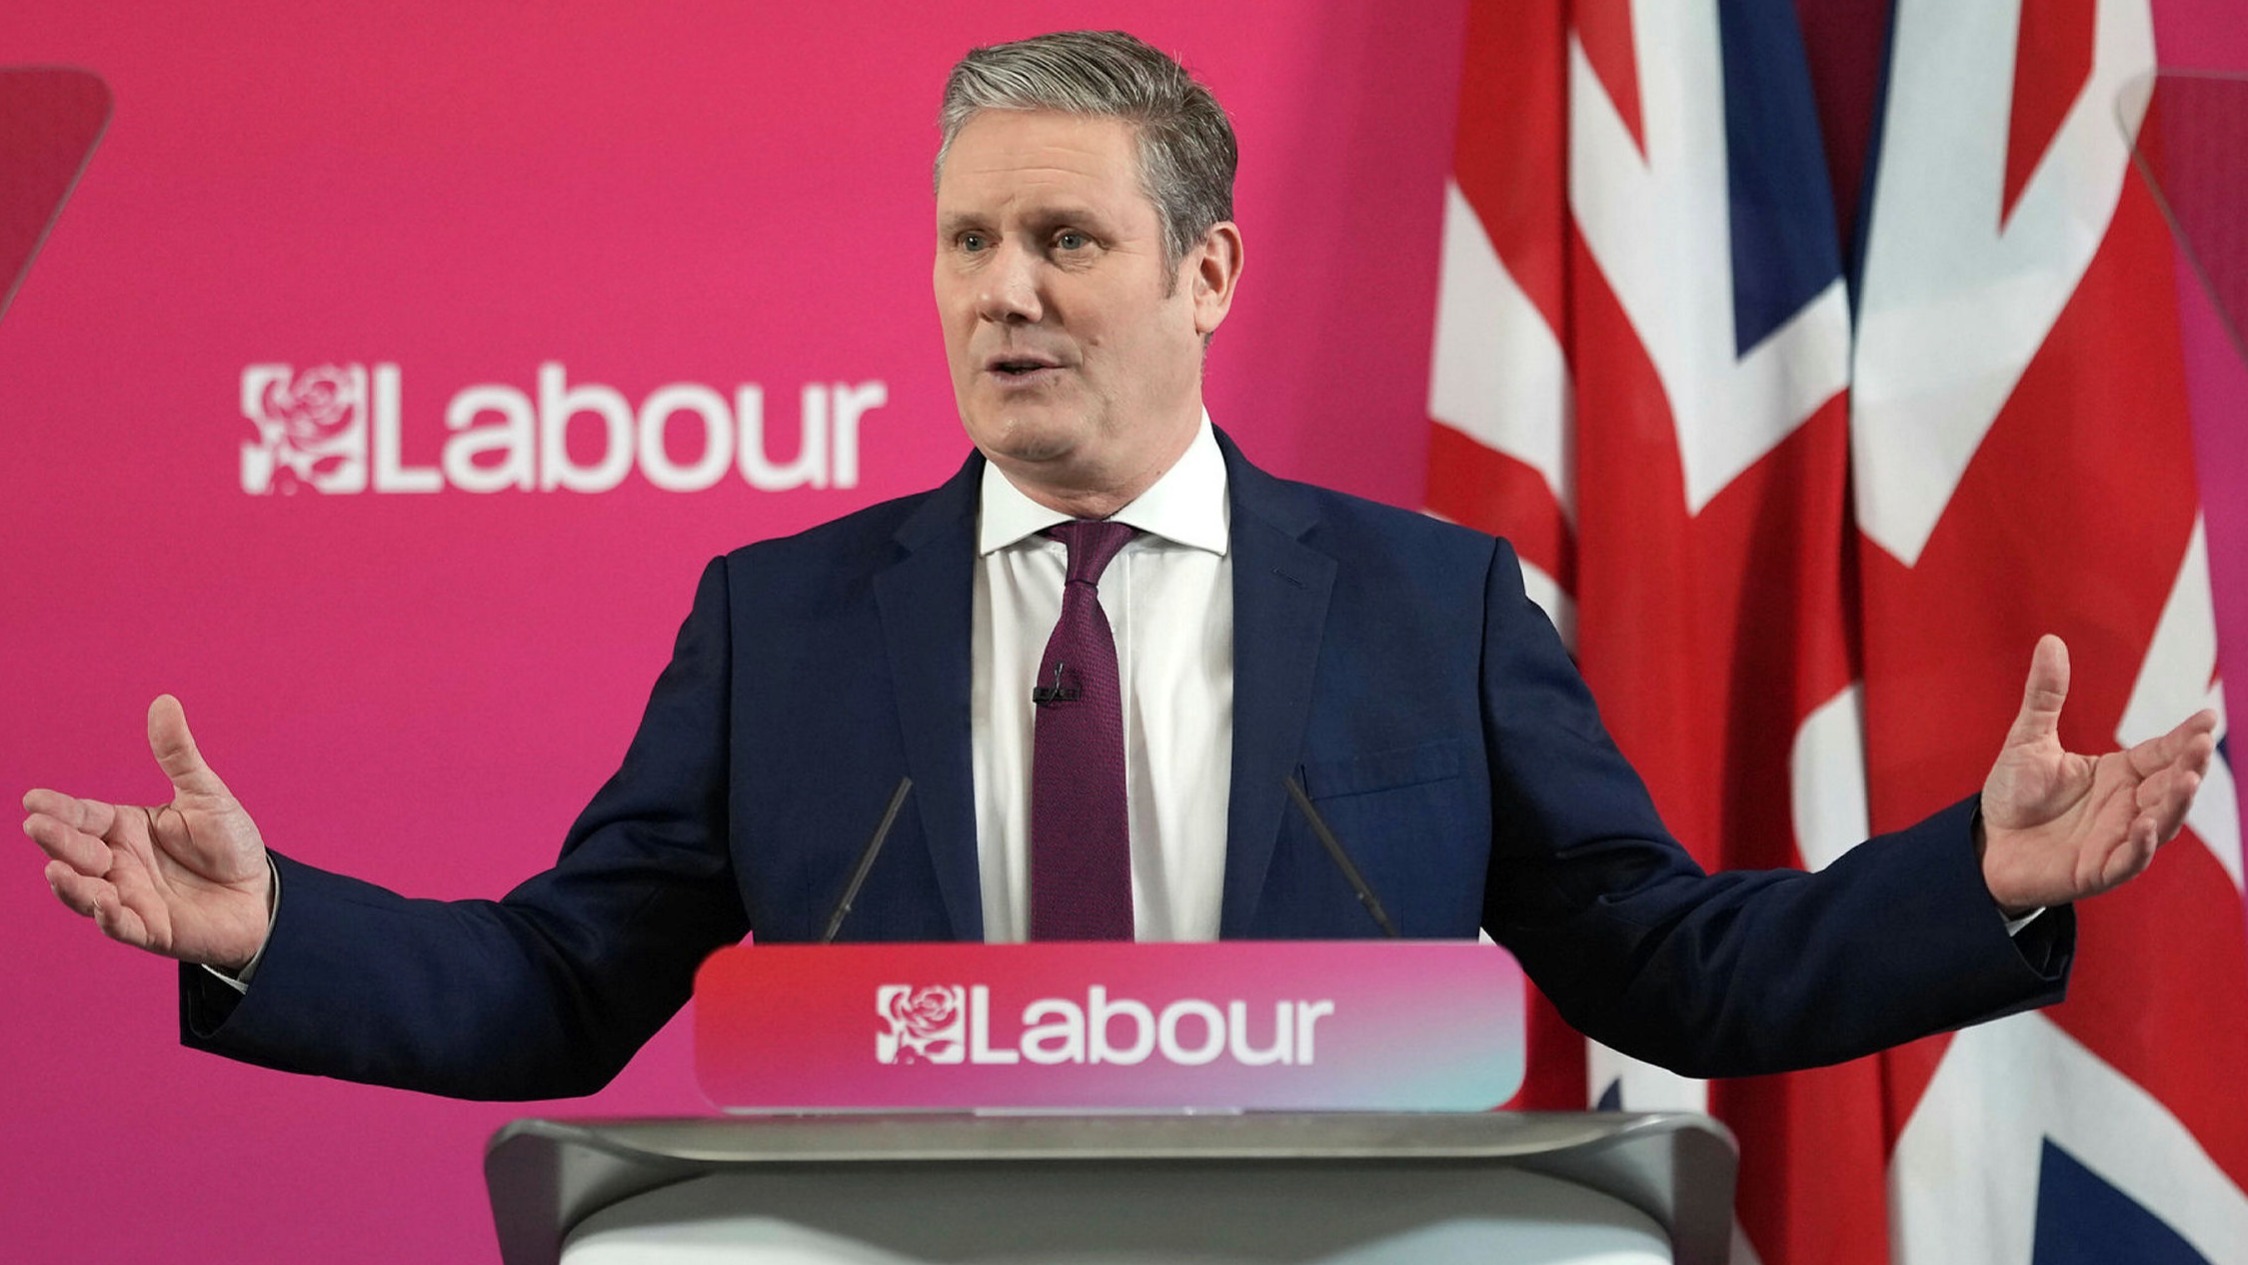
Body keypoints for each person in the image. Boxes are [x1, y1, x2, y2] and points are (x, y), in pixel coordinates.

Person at [20, 31, 2218, 1101]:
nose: (1003, 290)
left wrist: (1981, 879)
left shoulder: (1432, 608)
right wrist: (273, 928)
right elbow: (563, 988)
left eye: (1065, 238)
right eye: (966, 240)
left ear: (1208, 272)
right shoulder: (779, 623)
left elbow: (1671, 969)